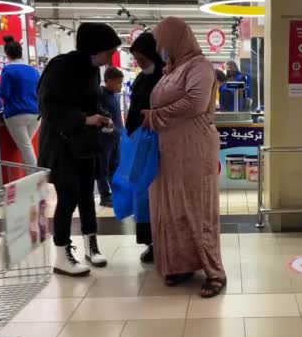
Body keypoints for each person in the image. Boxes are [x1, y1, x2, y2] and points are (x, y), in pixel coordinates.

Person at [142, 17, 226, 298]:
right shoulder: (171, 70)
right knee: (173, 207)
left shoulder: (199, 66)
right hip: (168, 153)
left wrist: (155, 117)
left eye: (162, 41)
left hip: (194, 150)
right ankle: (181, 264)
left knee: (197, 207)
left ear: (177, 38)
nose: (160, 47)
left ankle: (215, 272)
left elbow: (195, 103)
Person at [38, 22, 121, 276]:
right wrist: (83, 120)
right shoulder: (61, 67)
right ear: (95, 49)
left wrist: (102, 116)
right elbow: (48, 105)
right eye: (108, 52)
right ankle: (61, 253)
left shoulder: (92, 71)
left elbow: (92, 101)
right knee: (68, 198)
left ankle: (91, 245)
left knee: (87, 195)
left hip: (86, 145)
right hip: (62, 146)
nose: (110, 59)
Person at [126, 32, 165, 263]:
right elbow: (132, 111)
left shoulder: (167, 77)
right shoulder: (141, 80)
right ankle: (151, 243)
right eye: (136, 59)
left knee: (160, 195)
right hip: (141, 145)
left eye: (142, 58)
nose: (139, 63)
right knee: (143, 195)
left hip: (163, 146)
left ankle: (166, 241)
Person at [0, 35, 41, 166]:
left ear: (7, 54)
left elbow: (4, 93)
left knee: (26, 148)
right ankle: (33, 178)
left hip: (16, 113)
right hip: (36, 113)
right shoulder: (34, 70)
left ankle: (37, 178)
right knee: (26, 146)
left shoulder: (8, 70)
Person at [96, 67, 124, 208]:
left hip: (116, 137)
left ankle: (116, 192)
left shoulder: (115, 95)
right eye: (118, 83)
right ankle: (104, 195)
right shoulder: (100, 94)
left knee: (115, 165)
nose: (120, 86)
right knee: (103, 167)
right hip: (104, 138)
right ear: (109, 81)